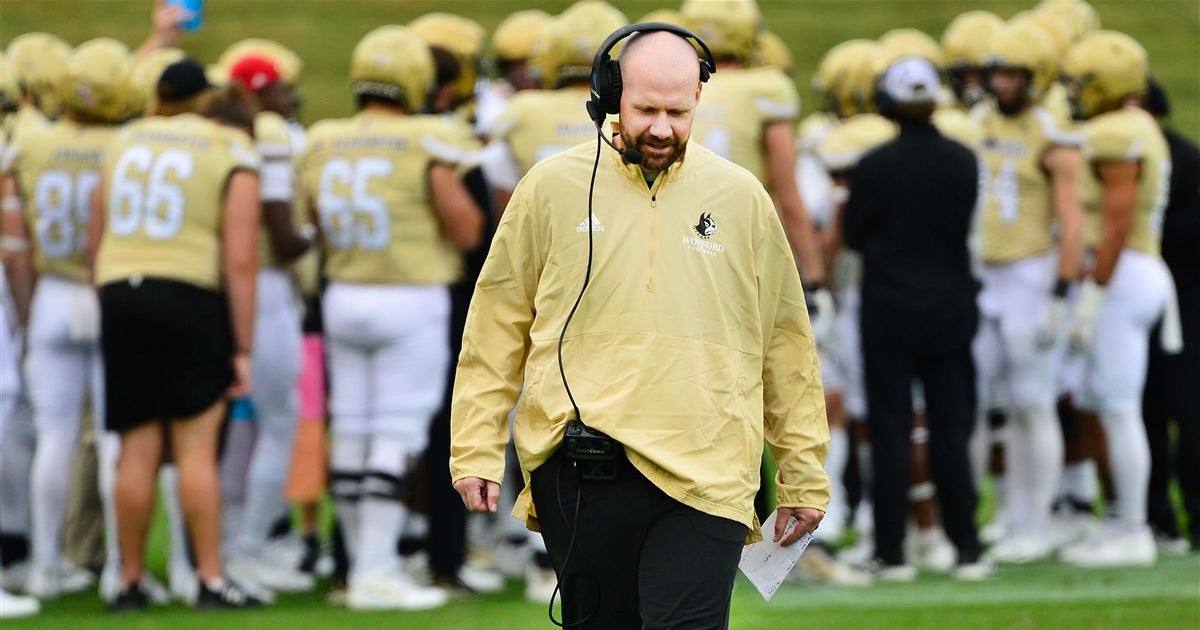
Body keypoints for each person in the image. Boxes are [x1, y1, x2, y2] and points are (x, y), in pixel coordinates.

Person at [451, 28, 829, 630]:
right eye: (646, 110)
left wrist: (802, 471)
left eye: (677, 112)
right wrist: (474, 446)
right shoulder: (549, 189)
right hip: (583, 463)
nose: (661, 128)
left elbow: (785, 342)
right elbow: (496, 323)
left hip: (711, 466)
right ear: (608, 96)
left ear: (699, 102)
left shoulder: (742, 198)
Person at [298, 25, 482, 611]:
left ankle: (357, 571)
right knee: (395, 434)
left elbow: (316, 223)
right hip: (410, 298)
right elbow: (466, 228)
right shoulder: (428, 139)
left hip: (344, 295)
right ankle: (376, 571)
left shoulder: (325, 139)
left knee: (351, 430)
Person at [87, 59, 264, 611]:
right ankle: (210, 579)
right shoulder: (227, 147)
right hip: (189, 293)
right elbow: (239, 258)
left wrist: (113, 298)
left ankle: (129, 580)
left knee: (135, 450)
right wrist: (242, 346)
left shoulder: (125, 138)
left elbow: (97, 233)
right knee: (194, 451)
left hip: (122, 288)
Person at [843, 56, 988, 581]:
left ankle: (892, 551)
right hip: (950, 306)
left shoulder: (875, 165)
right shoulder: (963, 160)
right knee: (952, 428)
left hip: (889, 311)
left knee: (890, 431)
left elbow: (855, 234)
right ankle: (967, 548)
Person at [1, 38, 131, 600]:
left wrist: (27, 317)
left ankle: (45, 565)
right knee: (111, 438)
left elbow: (18, 242)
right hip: (109, 293)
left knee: (54, 439)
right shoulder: (129, 145)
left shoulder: (32, 146)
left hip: (53, 292)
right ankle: (117, 570)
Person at [1058, 31, 1176, 569]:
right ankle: (1120, 521)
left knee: (1120, 408)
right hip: (1130, 272)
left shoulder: (1116, 132)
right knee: (1105, 403)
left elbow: (1117, 225)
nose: (1075, 93)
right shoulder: (1134, 124)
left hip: (1124, 273)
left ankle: (1133, 528)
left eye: (1083, 83)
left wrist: (1094, 293)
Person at [970, 21, 1085, 563]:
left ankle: (1037, 522)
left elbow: (1072, 221)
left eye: (1013, 72)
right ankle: (1007, 514)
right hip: (984, 273)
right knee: (985, 404)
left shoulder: (1052, 131)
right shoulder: (978, 120)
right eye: (998, 70)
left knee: (1032, 403)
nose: (1002, 81)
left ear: (1035, 77)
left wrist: (1062, 298)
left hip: (1030, 275)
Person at [220, 53, 316, 595]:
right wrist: (316, 237)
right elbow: (280, 232)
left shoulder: (221, 135)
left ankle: (227, 550)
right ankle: (247, 550)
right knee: (277, 425)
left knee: (240, 427)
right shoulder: (270, 133)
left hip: (229, 291)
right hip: (267, 289)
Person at [1140, 79, 1199, 554]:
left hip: (1187, 299)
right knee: (1144, 411)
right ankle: (1156, 517)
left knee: (1189, 411)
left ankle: (1196, 515)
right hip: (1139, 304)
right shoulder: (1115, 157)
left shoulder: (1186, 157)